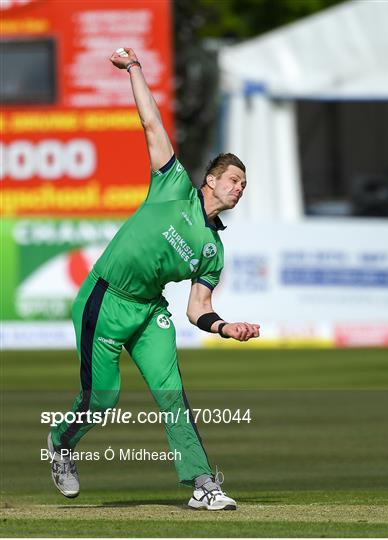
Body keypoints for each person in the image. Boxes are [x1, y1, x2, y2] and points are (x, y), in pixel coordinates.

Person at [47, 47, 260, 511]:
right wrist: (135, 69)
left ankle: (204, 483)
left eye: (244, 185)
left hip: (148, 312)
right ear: (209, 180)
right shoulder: (174, 187)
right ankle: (61, 444)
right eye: (233, 179)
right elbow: (151, 125)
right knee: (103, 400)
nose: (239, 188)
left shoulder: (213, 251)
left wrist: (225, 327)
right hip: (105, 298)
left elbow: (197, 308)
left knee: (173, 397)